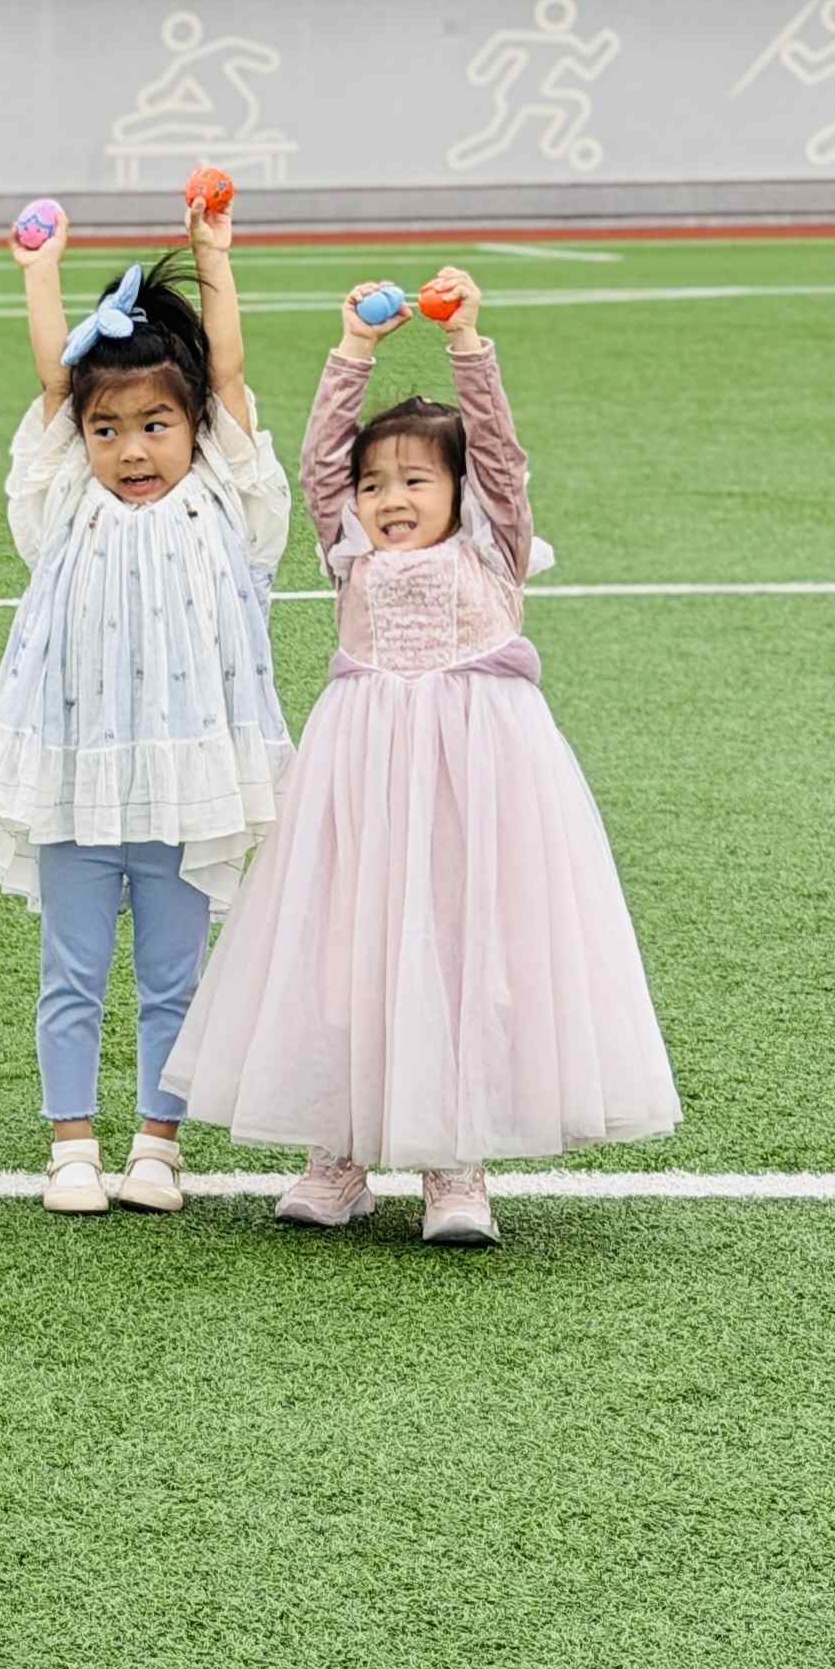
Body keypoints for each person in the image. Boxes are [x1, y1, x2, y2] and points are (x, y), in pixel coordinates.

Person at [161, 269, 678, 1245]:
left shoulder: (491, 547)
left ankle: (454, 1165)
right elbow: (318, 461)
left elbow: (501, 457)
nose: (388, 498)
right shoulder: (351, 554)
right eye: (374, 484)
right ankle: (338, 1154)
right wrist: (352, 351)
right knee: (346, 952)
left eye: (414, 480)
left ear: (459, 491)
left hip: (475, 783)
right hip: (360, 777)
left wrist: (466, 344)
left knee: (461, 954)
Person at [0, 200, 293, 1216]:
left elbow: (227, 375)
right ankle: (70, 1146)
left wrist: (213, 252)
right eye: (107, 430)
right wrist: (40, 275)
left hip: (191, 784)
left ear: (193, 426)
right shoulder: (64, 500)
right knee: (72, 972)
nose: (131, 450)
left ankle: (156, 1145)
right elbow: (56, 387)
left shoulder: (225, 494)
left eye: (154, 426)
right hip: (76, 779)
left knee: (175, 979)